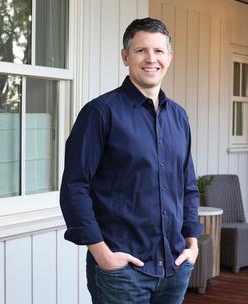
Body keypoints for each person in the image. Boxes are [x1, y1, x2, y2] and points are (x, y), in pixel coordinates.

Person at [60, 17, 202, 304]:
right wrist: (102, 254)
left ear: (169, 58)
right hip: (121, 273)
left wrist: (192, 242)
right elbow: (75, 187)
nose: (151, 59)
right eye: (141, 51)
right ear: (125, 57)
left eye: (159, 51)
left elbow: (186, 185)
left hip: (174, 268)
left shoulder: (179, 117)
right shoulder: (100, 113)